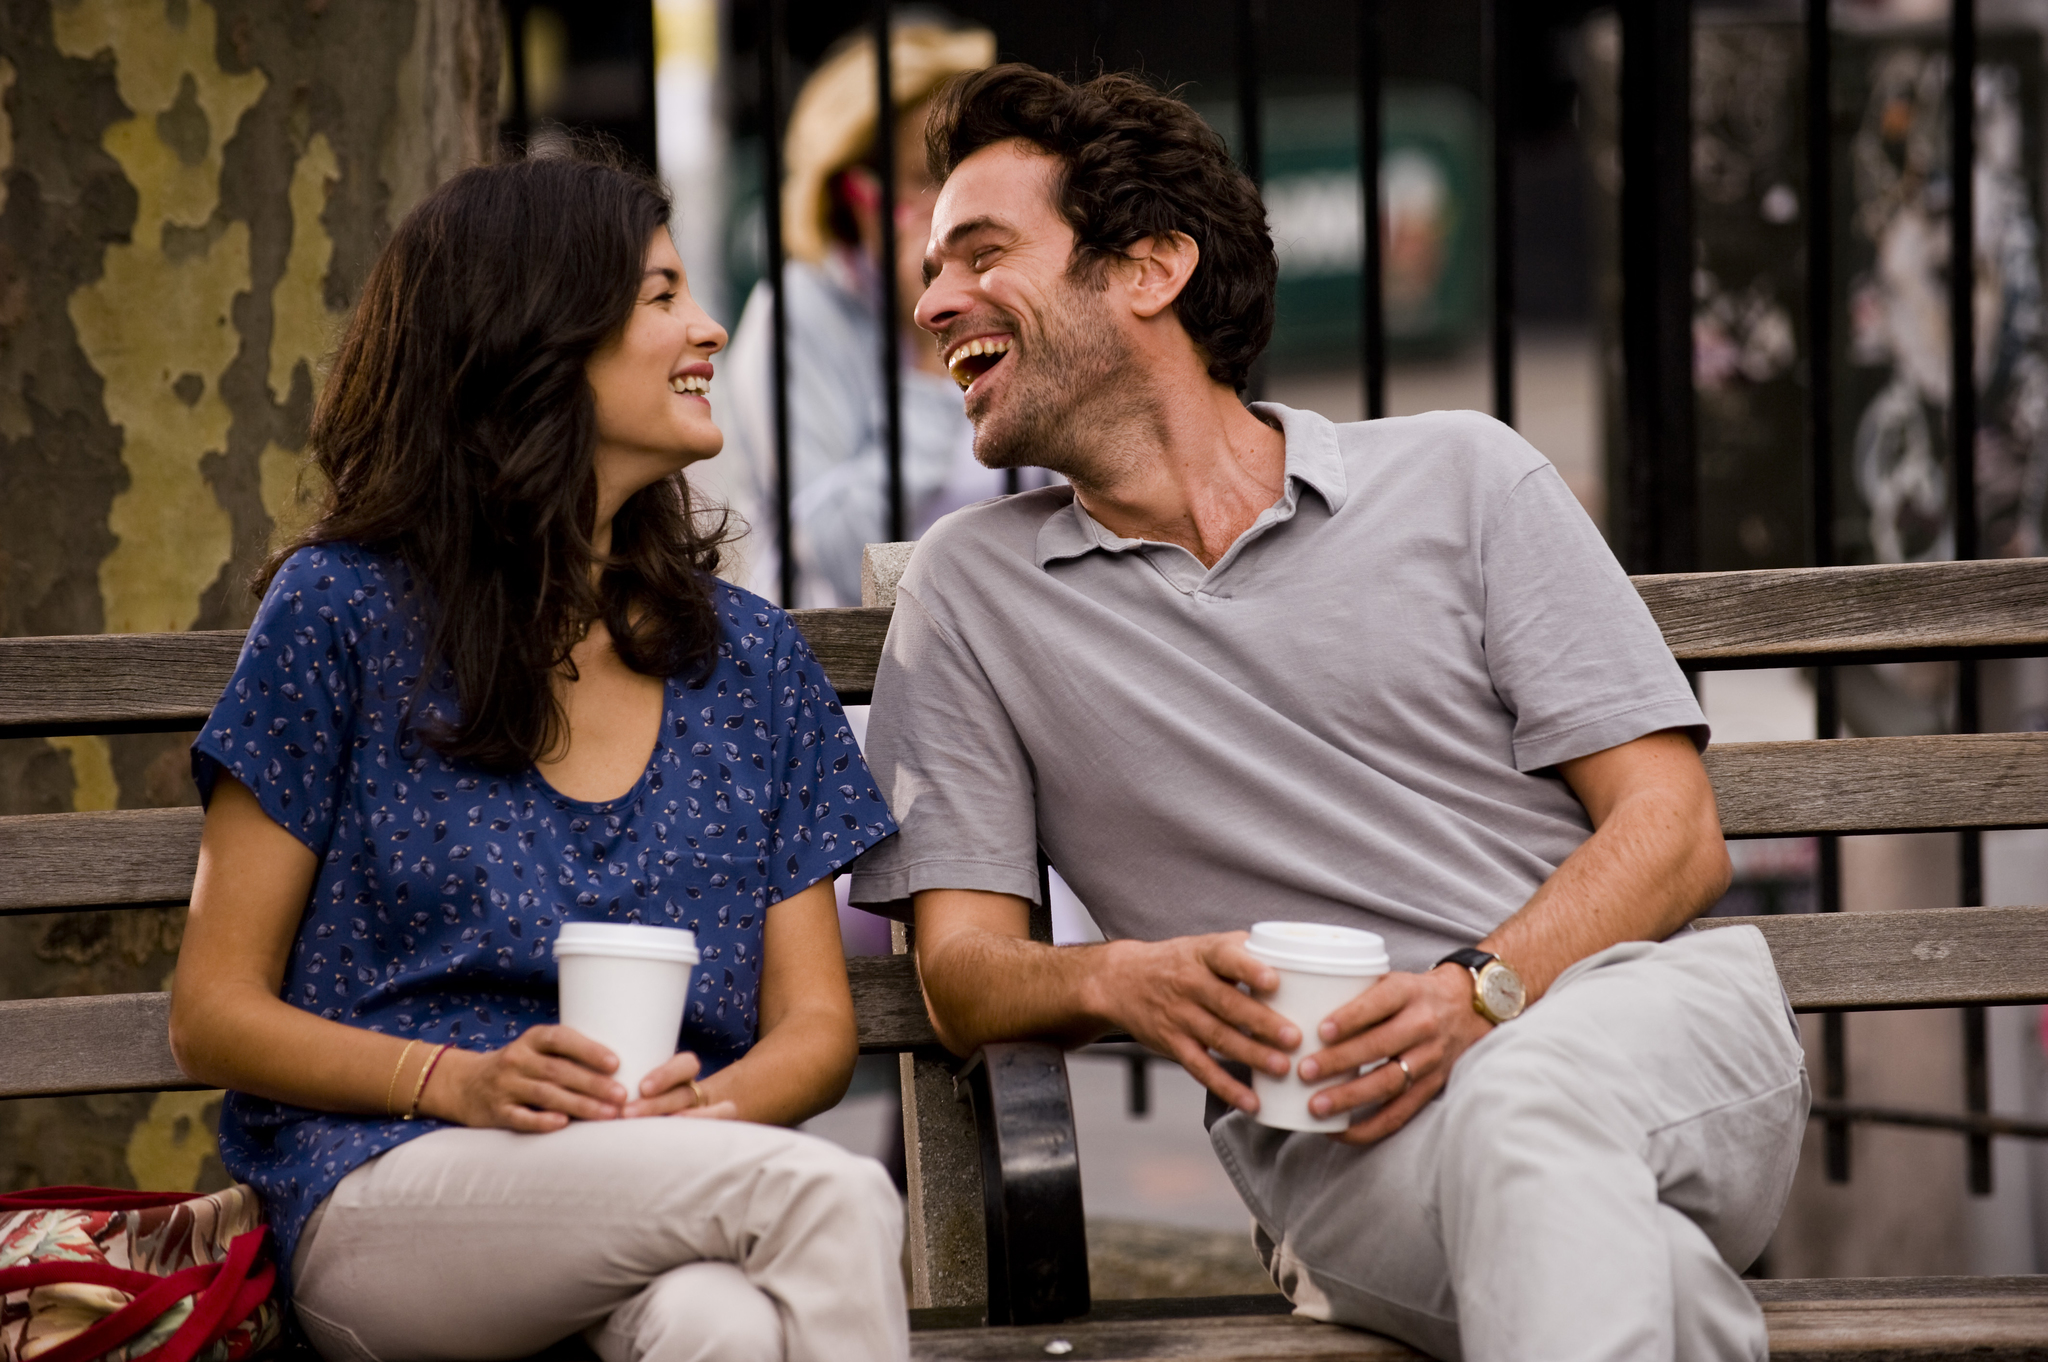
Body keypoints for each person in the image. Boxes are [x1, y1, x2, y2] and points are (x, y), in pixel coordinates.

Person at [850, 64, 1809, 1362]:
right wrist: (1120, 977)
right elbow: (962, 974)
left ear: (1149, 268)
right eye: (928, 268)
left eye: (980, 251)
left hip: (1636, 1023)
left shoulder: (1464, 476)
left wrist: (1478, 992)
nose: (931, 301)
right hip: (1344, 1139)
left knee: (1525, 1109)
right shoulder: (970, 596)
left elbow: (1674, 830)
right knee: (1646, 1284)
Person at [169, 149, 908, 1362]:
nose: (708, 328)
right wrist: (451, 1080)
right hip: (386, 1185)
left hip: (664, 1175)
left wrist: (702, 1110)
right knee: (830, 1196)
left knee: (716, 1325)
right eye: (661, 295)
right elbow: (211, 1013)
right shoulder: (341, 615)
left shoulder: (750, 662)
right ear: (538, 336)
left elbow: (815, 1029)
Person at [708, 19, 1054, 607]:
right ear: (853, 196)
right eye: (924, 180)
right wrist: (927, 346)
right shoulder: (795, 314)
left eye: (960, 173)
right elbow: (841, 558)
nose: (951, 205)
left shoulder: (1015, 287)